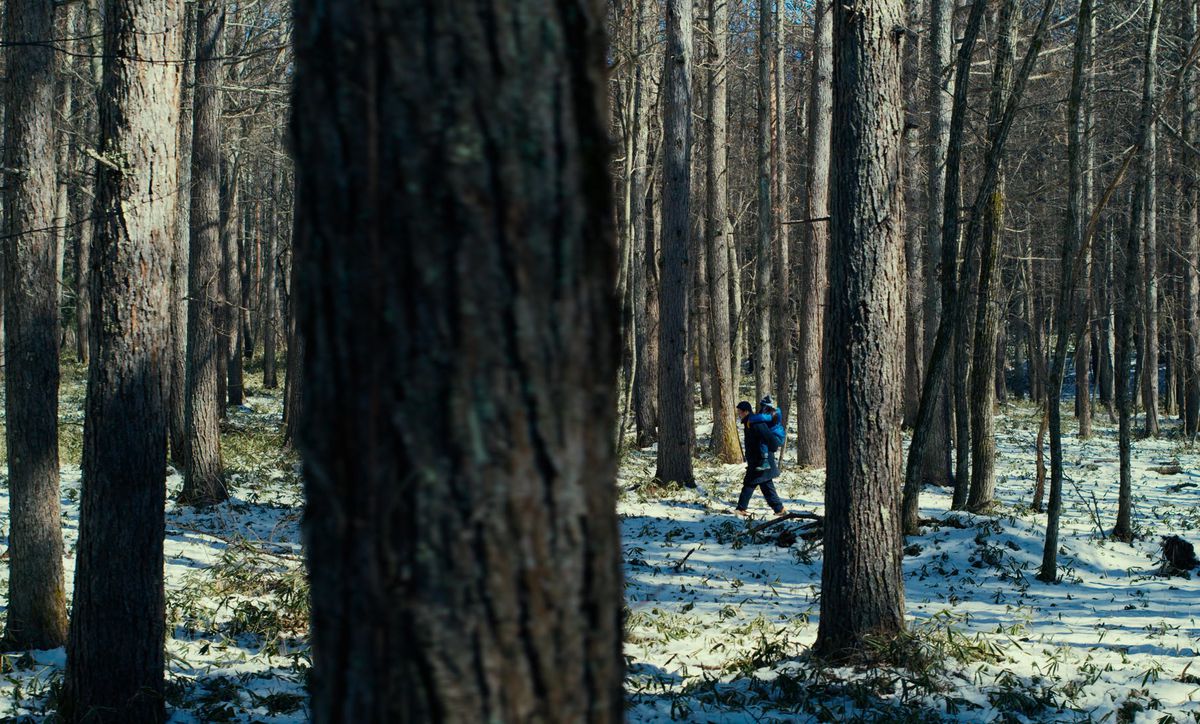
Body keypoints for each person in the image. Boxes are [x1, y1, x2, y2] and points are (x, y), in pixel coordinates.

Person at [734, 401, 787, 518]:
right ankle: (779, 509)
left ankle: (741, 508)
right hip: (757, 460)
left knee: (750, 483)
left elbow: (767, 436)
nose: (738, 414)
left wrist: (772, 448)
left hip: (762, 460)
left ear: (746, 411)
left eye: (739, 412)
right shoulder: (749, 422)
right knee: (765, 484)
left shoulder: (755, 423)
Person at [747, 394, 785, 471]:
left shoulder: (773, 414)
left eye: (763, 406)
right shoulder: (771, 413)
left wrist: (750, 418)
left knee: (763, 440)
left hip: (777, 438)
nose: (762, 408)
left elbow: (761, 417)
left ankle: (765, 462)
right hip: (774, 437)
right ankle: (756, 462)